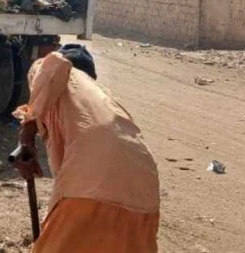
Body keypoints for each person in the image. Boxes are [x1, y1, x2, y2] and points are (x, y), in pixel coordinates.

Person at [13, 44, 160, 253]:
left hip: (93, 184)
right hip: (145, 192)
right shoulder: (104, 98)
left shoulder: (64, 72)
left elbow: (51, 65)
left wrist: (26, 135)